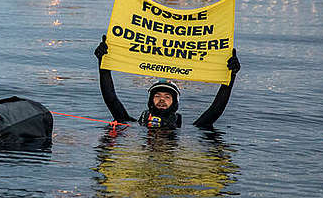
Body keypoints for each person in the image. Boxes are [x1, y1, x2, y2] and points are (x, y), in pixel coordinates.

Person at [94, 37, 240, 129]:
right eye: (157, 95)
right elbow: (111, 98)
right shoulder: (131, 124)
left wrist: (230, 76)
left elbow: (215, 110)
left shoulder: (190, 129)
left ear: (175, 103)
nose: (162, 99)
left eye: (167, 97)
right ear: (150, 100)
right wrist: (103, 66)